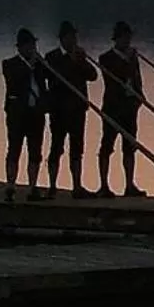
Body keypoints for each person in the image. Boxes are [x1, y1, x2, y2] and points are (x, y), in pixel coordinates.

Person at [41, 20, 98, 197]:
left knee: (77, 148)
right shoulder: (52, 57)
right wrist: (71, 61)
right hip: (59, 110)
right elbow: (51, 77)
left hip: (77, 110)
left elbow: (93, 76)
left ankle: (77, 186)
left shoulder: (80, 55)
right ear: (62, 39)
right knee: (56, 147)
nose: (73, 40)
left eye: (74, 37)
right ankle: (52, 186)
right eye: (70, 37)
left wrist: (81, 61)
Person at [97, 20, 147, 197]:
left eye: (129, 38)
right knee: (107, 146)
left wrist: (140, 96)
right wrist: (128, 59)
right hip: (112, 108)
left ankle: (129, 185)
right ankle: (104, 185)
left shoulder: (133, 57)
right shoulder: (106, 58)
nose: (127, 41)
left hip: (129, 107)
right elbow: (116, 76)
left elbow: (136, 78)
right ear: (116, 39)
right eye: (124, 38)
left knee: (130, 146)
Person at [1, 26, 49, 202]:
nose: (32, 48)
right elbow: (15, 79)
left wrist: (42, 65)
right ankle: (10, 186)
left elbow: (51, 77)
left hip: (36, 112)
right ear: (20, 47)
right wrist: (31, 65)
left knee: (35, 150)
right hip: (17, 114)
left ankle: (33, 187)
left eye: (33, 45)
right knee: (14, 149)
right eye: (29, 45)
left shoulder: (40, 65)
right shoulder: (10, 64)